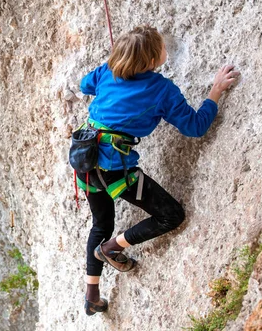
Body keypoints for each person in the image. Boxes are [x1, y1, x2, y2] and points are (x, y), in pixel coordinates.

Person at [77, 25, 239, 316]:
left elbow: (84, 85)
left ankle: (92, 294)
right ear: (153, 60)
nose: (167, 49)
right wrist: (215, 91)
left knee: (100, 224)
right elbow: (195, 126)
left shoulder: (106, 72)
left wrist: (114, 66)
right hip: (116, 171)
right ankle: (111, 248)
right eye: (162, 47)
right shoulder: (161, 90)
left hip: (85, 163)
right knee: (171, 215)